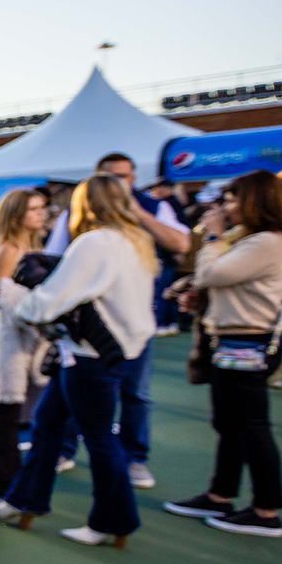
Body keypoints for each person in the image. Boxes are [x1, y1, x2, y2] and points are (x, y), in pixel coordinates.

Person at [0, 175, 158, 548]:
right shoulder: (135, 241)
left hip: (90, 354)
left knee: (98, 438)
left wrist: (15, 300)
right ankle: (25, 500)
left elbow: (53, 297)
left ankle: (113, 520)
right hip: (112, 351)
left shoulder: (94, 242)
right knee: (48, 425)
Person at [162, 170, 282, 538]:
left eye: (232, 199)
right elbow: (230, 284)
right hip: (238, 342)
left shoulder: (268, 241)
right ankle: (220, 496)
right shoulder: (260, 240)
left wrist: (212, 237)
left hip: (250, 344)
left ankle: (266, 511)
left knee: (250, 427)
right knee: (230, 426)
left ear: (255, 201)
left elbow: (213, 273)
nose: (225, 207)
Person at [45, 154, 188, 489]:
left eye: (123, 177)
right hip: (90, 326)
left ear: (133, 179)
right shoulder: (78, 219)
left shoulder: (151, 209)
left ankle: (134, 461)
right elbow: (58, 261)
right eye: (110, 178)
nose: (117, 185)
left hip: (132, 322)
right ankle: (62, 455)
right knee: (68, 400)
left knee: (132, 395)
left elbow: (181, 244)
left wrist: (136, 212)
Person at [0, 188, 51, 495]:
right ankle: (5, 482)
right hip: (1, 337)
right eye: (34, 209)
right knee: (4, 413)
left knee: (5, 413)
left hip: (18, 337)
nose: (41, 213)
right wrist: (29, 305)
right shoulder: (9, 249)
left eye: (42, 208)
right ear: (17, 215)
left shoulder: (32, 246)